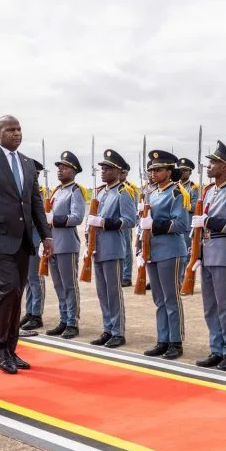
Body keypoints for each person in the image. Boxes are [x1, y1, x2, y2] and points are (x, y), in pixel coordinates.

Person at [0, 115, 52, 375]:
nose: (16, 133)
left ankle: (11, 349)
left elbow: (35, 201)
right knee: (9, 288)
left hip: (23, 239)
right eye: (10, 129)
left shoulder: (27, 163)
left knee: (17, 294)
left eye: (19, 129)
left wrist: (46, 235)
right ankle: (0, 346)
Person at [192, 140, 226, 371]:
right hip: (207, 252)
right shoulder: (208, 190)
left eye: (213, 162)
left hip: (224, 252)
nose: (209, 166)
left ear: (225, 166)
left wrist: (209, 221)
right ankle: (216, 349)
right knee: (210, 306)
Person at [139, 151, 189, 359]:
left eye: (158, 170)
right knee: (159, 299)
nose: (153, 173)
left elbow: (181, 224)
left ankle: (175, 341)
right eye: (151, 170)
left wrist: (155, 225)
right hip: (153, 250)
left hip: (170, 250)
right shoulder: (150, 193)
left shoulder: (177, 193)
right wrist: (140, 247)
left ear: (169, 172)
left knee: (171, 298)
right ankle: (163, 339)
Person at [87, 149, 136, 348]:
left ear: (118, 171)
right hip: (98, 248)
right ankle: (107, 329)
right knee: (102, 292)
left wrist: (104, 222)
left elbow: (130, 220)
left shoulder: (123, 192)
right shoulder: (100, 192)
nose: (103, 172)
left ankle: (117, 331)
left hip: (113, 247)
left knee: (113, 292)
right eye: (102, 168)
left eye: (108, 169)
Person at [45, 151, 85, 339]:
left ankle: (72, 322)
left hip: (67, 244)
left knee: (69, 286)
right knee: (58, 286)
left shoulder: (75, 191)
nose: (60, 170)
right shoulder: (56, 191)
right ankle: (63, 319)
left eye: (65, 167)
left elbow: (77, 217)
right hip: (53, 245)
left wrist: (54, 219)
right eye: (59, 167)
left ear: (74, 171)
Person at [20, 160, 48, 331]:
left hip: (37, 240)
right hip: (25, 240)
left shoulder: (42, 193)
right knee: (28, 279)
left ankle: (37, 315)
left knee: (36, 279)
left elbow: (39, 218)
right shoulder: (24, 192)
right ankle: (29, 311)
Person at [177, 158, 199, 286]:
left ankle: (185, 282)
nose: (182, 172)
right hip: (176, 226)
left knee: (187, 255)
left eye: (185, 170)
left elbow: (195, 206)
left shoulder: (193, 188)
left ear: (190, 172)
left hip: (187, 226)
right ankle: (177, 280)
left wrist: (182, 206)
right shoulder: (175, 186)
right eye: (180, 170)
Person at [120, 166, 138, 288]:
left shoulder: (131, 188)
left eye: (123, 173)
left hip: (125, 223)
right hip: (111, 223)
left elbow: (134, 207)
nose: (121, 175)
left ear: (126, 174)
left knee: (126, 249)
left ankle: (126, 276)